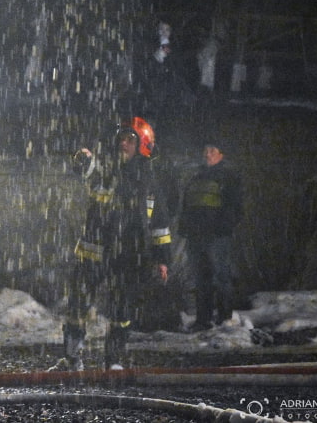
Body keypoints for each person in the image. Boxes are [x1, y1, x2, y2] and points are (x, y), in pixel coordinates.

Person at [57, 116, 172, 371]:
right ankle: (72, 357)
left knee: (122, 311)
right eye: (121, 138)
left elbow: (160, 227)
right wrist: (83, 160)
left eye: (130, 139)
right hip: (95, 251)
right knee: (78, 303)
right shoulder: (106, 171)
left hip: (130, 255)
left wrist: (162, 259)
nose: (124, 143)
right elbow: (87, 172)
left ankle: (114, 360)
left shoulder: (150, 184)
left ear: (143, 145)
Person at [178, 140, 243, 331]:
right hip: (196, 236)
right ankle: (202, 320)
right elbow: (187, 205)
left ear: (221, 154)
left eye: (212, 150)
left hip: (216, 237)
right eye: (205, 150)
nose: (207, 154)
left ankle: (224, 319)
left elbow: (235, 207)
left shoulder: (228, 177)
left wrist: (222, 228)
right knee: (201, 279)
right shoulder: (196, 177)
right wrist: (185, 229)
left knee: (221, 277)